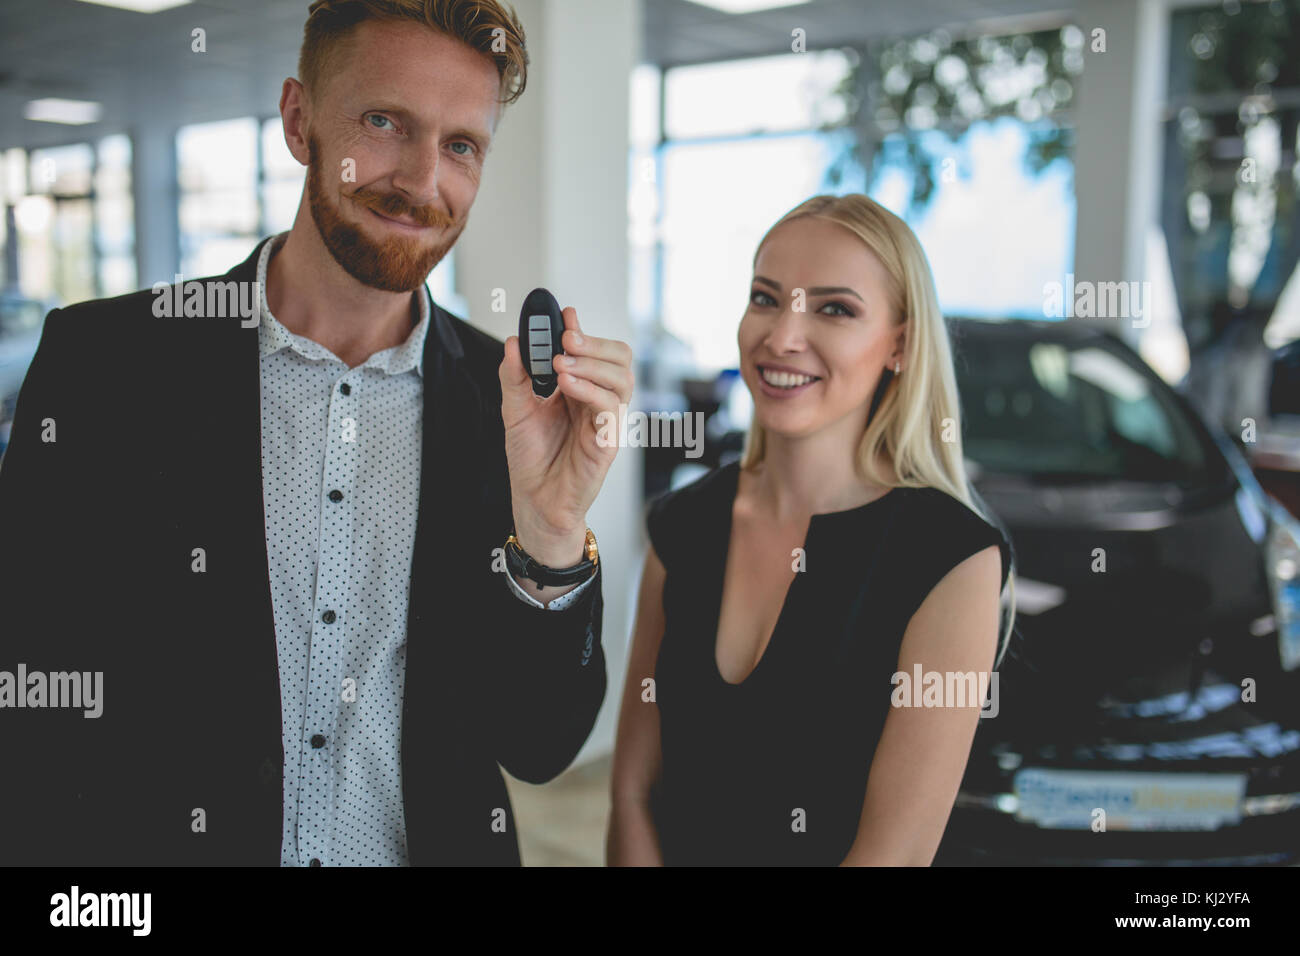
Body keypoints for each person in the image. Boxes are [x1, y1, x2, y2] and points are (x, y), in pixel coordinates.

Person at [0, 0, 634, 866]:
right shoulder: (106, 364)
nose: (421, 181)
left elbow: (537, 744)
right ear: (300, 120)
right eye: (384, 122)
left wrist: (553, 530)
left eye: (461, 146)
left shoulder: (511, 403)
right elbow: (28, 700)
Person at [607, 194, 1016, 866]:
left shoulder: (952, 559)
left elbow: (896, 853)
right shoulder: (685, 521)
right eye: (766, 298)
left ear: (901, 346)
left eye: (834, 309)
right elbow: (630, 793)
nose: (782, 336)